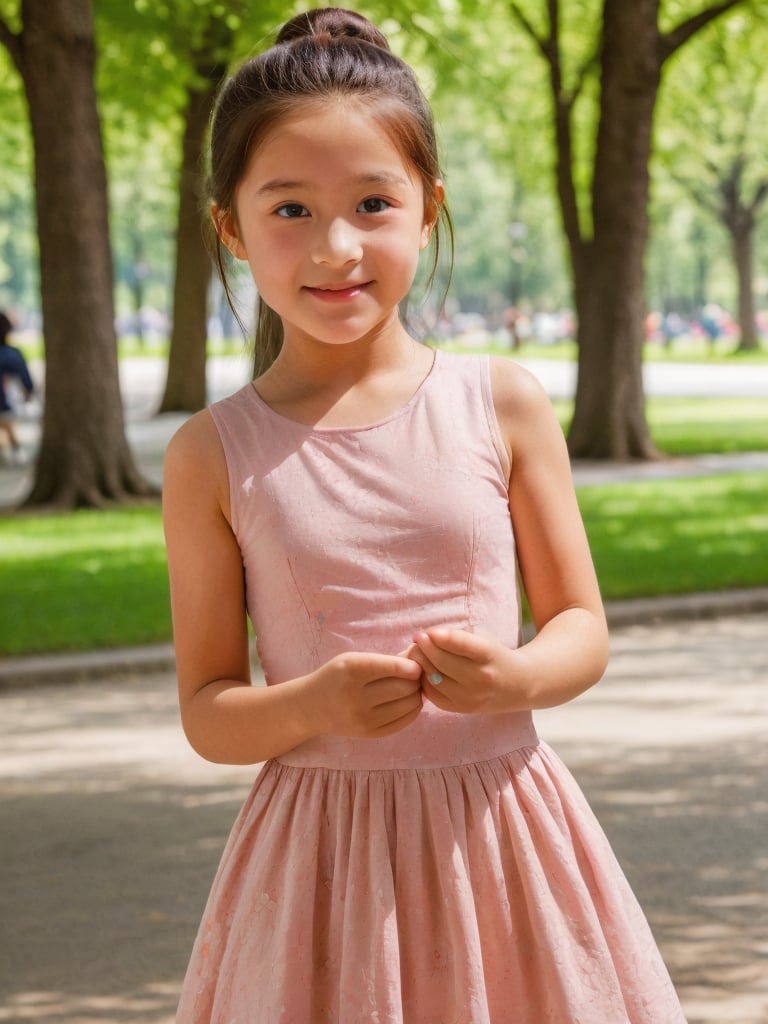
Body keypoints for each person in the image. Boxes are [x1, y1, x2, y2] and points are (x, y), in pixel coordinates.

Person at [163, 9, 688, 1022]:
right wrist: (313, 706)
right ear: (230, 226)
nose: (338, 246)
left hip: (505, 837)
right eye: (290, 210)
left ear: (427, 208)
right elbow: (208, 707)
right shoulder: (211, 455)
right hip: (321, 868)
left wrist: (520, 674)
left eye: (372, 202)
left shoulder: (503, 403)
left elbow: (580, 624)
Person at [0, 311, 35, 465]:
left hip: (6, 402)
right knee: (7, 422)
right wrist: (29, 392)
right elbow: (26, 382)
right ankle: (15, 449)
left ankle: (11, 449)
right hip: (7, 403)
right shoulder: (12, 354)